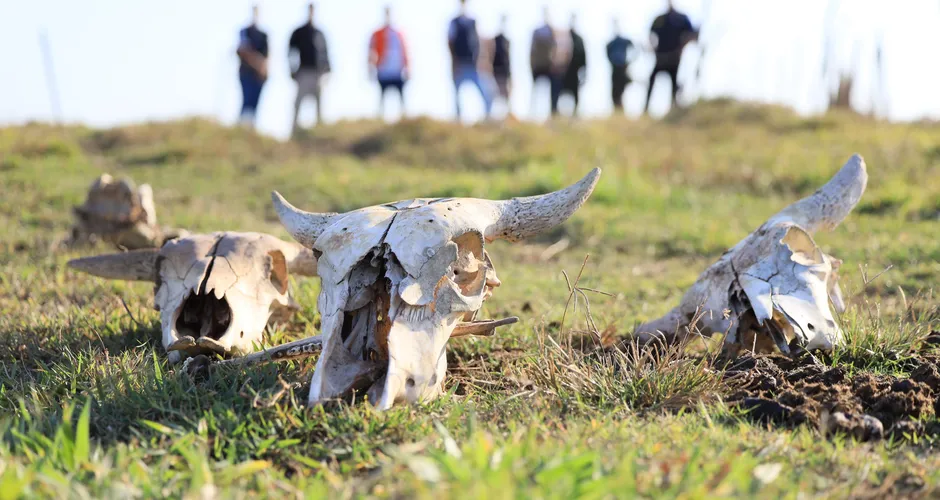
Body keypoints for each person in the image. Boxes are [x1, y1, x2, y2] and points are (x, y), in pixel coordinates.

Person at [644, 0, 697, 114]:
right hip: (660, 58)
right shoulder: (659, 19)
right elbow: (650, 35)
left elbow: (691, 35)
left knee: (674, 84)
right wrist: (652, 48)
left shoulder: (682, 18)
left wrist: (682, 48)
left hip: (674, 58)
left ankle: (674, 109)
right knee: (651, 80)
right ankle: (646, 109)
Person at [289, 3, 331, 133]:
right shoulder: (299, 32)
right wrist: (292, 70)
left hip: (318, 73)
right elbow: (291, 52)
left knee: (319, 103)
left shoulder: (319, 33)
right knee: (298, 103)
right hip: (303, 72)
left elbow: (325, 53)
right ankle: (294, 129)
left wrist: (328, 70)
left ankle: (319, 130)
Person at [448, 0, 492, 121]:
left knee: (487, 95)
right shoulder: (454, 22)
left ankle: (486, 120)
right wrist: (454, 64)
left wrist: (482, 61)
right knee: (457, 97)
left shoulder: (473, 22)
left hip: (473, 65)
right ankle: (458, 122)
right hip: (460, 66)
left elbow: (479, 43)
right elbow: (450, 43)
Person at [369, 6, 409, 119]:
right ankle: (380, 120)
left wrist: (407, 67)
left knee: (401, 99)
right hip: (383, 71)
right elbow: (371, 51)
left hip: (397, 71)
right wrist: (371, 68)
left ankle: (404, 120)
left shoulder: (399, 33)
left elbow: (404, 51)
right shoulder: (377, 33)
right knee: (382, 99)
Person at [236, 5, 268, 128]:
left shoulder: (264, 35)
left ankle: (251, 128)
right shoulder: (244, 31)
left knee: (254, 104)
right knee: (246, 101)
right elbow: (242, 50)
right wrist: (257, 63)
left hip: (259, 76)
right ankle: (242, 128)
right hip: (246, 73)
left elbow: (267, 55)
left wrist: (263, 69)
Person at [529, 7, 556, 116]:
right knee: (535, 91)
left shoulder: (551, 31)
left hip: (548, 65)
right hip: (538, 66)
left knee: (551, 91)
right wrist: (532, 64)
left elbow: (554, 48)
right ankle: (532, 113)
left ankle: (551, 113)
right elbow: (532, 50)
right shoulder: (536, 31)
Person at [558, 14, 587, 116]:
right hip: (563, 72)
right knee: (560, 94)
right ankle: (557, 114)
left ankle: (575, 114)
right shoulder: (563, 38)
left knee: (575, 94)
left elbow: (584, 58)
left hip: (575, 72)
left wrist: (584, 74)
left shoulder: (579, 39)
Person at [607, 19, 635, 112]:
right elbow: (607, 55)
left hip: (623, 69)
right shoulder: (610, 43)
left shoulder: (624, 41)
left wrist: (629, 62)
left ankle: (620, 109)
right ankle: (617, 110)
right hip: (615, 69)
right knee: (615, 92)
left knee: (620, 90)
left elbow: (635, 50)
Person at [491, 15, 513, 118]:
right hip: (497, 71)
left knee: (506, 96)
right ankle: (495, 117)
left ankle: (506, 116)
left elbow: (508, 59)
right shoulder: (495, 39)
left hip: (505, 72)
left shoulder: (507, 40)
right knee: (496, 95)